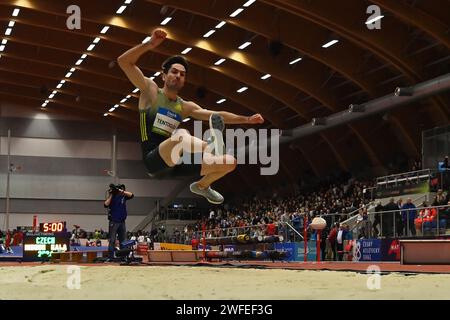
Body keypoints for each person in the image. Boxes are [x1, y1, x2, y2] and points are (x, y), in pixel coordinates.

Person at [117, 29, 264, 205]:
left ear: (184, 81)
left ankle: (202, 186)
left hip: (175, 161)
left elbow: (217, 115)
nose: (178, 75)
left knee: (230, 162)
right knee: (181, 134)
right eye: (174, 71)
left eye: (182, 74)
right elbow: (124, 62)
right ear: (164, 75)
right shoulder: (151, 91)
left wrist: (247, 119)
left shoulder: (185, 106)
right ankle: (211, 147)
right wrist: (150, 44)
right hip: (153, 160)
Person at [104, 184, 134, 259]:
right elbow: (105, 204)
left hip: (122, 221)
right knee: (112, 240)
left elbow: (132, 195)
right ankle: (111, 257)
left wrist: (121, 191)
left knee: (123, 240)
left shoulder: (123, 196)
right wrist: (111, 194)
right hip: (113, 221)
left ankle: (123, 256)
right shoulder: (113, 196)